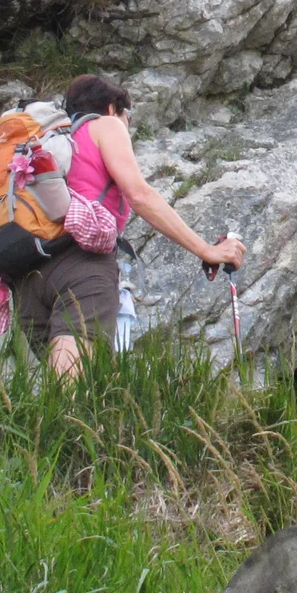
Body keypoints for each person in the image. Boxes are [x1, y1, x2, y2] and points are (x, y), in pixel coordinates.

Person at [18, 73, 243, 380]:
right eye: (129, 117)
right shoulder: (106, 124)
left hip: (26, 273)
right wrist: (206, 250)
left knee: (82, 388)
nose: (127, 125)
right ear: (113, 108)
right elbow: (139, 195)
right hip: (80, 266)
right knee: (69, 392)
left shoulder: (49, 142)